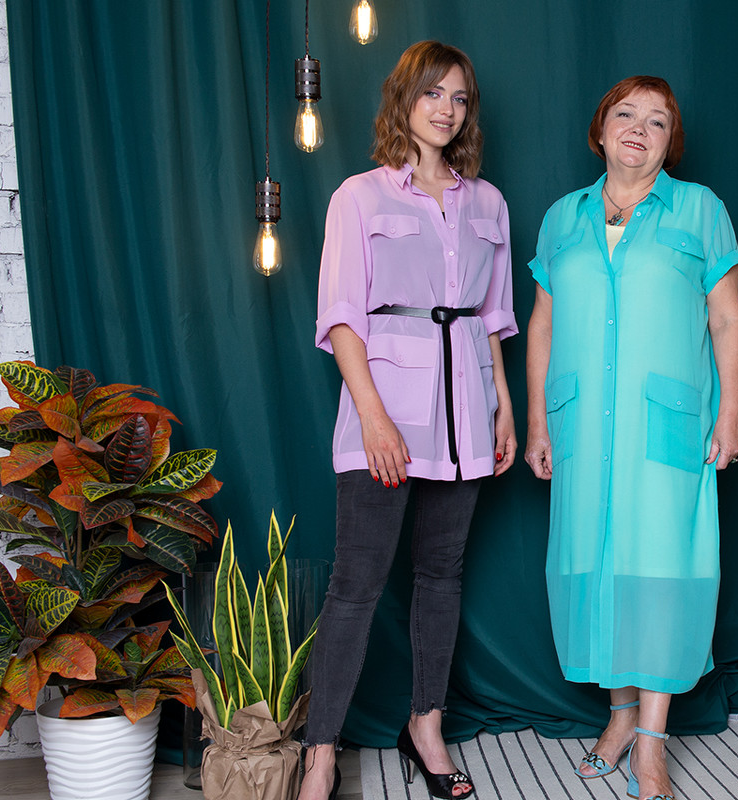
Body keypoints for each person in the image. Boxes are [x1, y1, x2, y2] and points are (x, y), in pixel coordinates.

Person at [302, 41, 516, 800]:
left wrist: (504, 409)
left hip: (466, 413)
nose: (446, 109)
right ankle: (319, 752)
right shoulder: (358, 197)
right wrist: (374, 419)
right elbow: (341, 316)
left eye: (459, 98)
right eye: (433, 93)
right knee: (356, 585)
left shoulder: (488, 203)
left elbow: (492, 319)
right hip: (385, 411)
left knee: (441, 575)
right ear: (404, 98)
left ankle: (426, 725)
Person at [524, 75, 738, 800]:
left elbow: (726, 317)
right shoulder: (562, 217)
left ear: (669, 142)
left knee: (660, 570)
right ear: (600, 129)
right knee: (599, 565)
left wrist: (732, 410)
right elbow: (543, 325)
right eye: (626, 114)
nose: (639, 129)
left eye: (657, 121)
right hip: (581, 421)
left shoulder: (700, 209)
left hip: (667, 423)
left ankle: (651, 742)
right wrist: (537, 421)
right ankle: (620, 717)